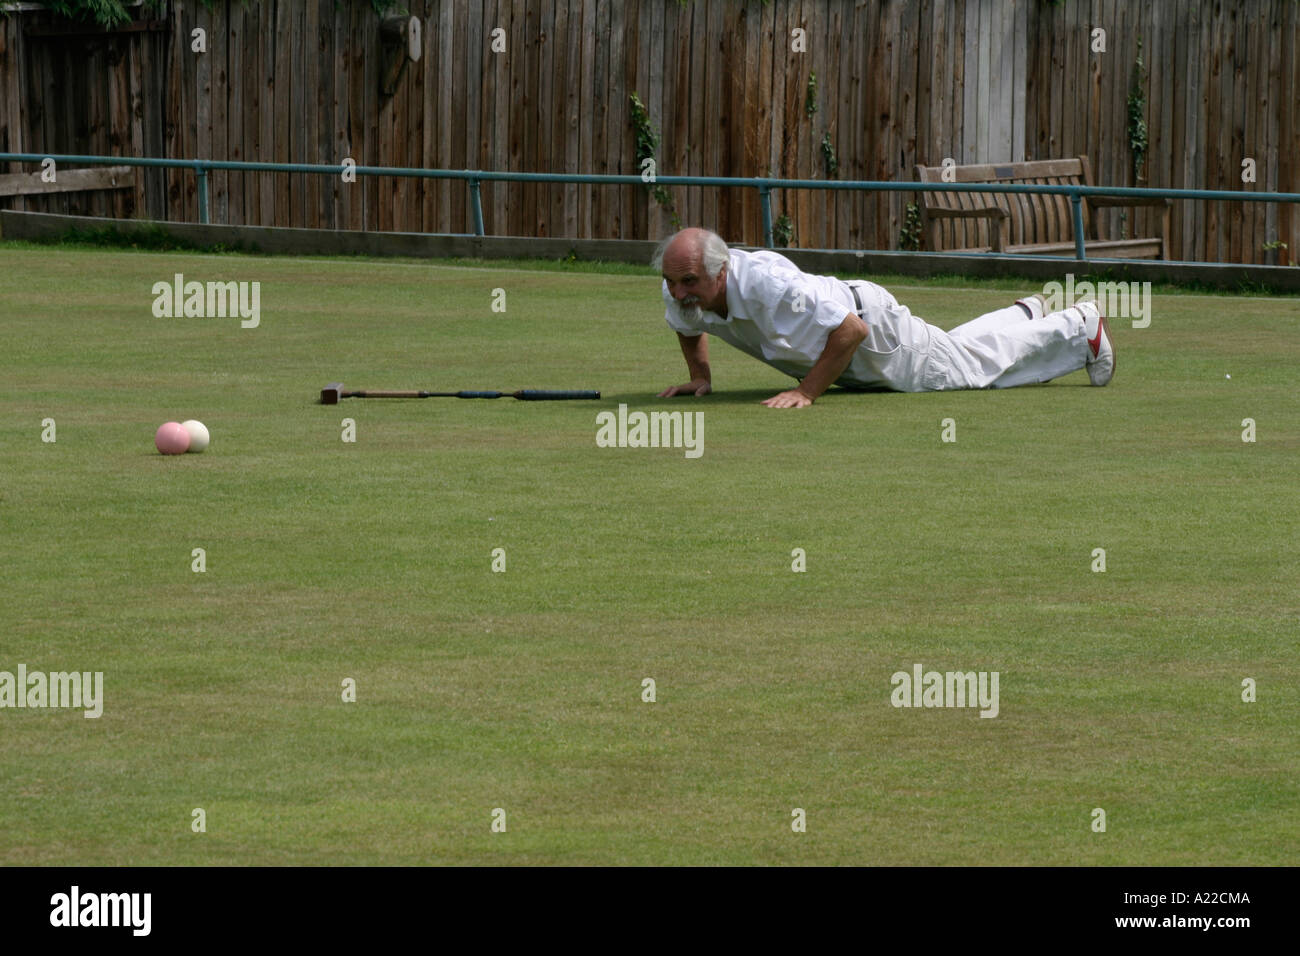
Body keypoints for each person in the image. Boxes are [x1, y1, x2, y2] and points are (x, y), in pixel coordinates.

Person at [653, 227, 1115, 408]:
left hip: (873, 334)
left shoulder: (771, 287)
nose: (679, 293)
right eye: (673, 282)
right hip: (849, 346)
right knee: (954, 350)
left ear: (721, 271)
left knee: (970, 371)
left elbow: (851, 330)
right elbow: (687, 325)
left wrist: (805, 392)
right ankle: (1026, 314)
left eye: (689, 282)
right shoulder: (681, 288)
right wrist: (699, 376)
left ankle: (1080, 326)